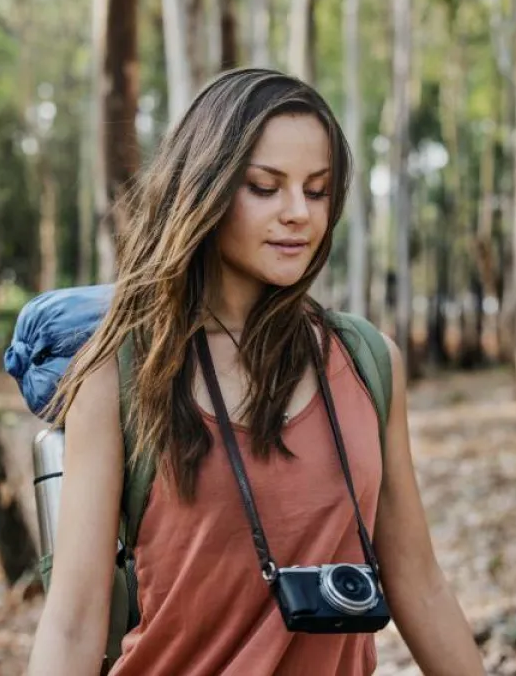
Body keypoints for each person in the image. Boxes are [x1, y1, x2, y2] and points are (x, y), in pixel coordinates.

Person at [26, 68, 486, 676]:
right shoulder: (121, 374)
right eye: (265, 188)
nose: (298, 213)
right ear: (207, 189)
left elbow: (420, 585)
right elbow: (73, 621)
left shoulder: (368, 362)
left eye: (317, 191)